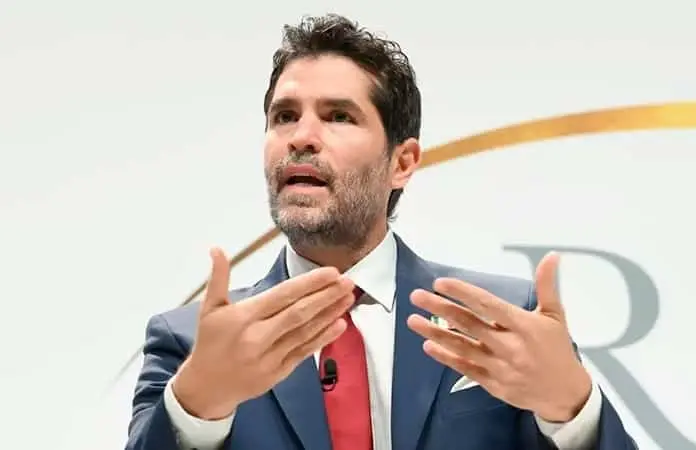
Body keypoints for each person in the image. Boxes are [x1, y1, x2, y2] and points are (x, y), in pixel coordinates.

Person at [125, 14, 636, 450]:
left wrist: (573, 411)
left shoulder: (500, 323)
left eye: (338, 116)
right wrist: (196, 406)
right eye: (284, 116)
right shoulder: (190, 344)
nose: (302, 137)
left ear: (402, 162)